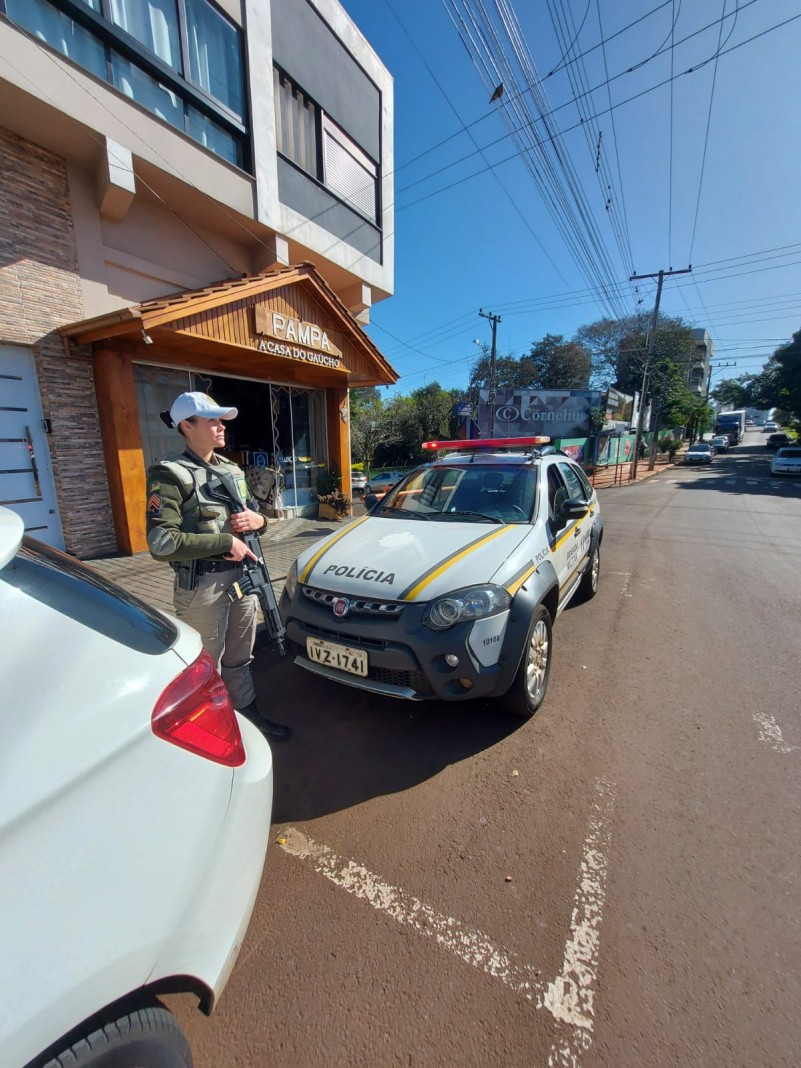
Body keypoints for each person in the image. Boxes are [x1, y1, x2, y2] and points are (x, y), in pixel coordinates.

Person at [145, 391, 291, 740]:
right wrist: (224, 543)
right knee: (202, 665)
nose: (221, 426)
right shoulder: (169, 473)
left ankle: (246, 716)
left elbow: (248, 518)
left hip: (244, 579)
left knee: (240, 655)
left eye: (221, 419)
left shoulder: (231, 470)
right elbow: (161, 543)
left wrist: (261, 521)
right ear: (187, 426)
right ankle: (206, 729)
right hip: (203, 588)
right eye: (212, 420)